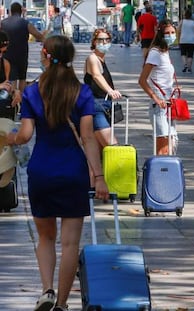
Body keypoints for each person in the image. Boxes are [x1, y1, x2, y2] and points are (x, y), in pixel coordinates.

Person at [6, 35, 109, 311]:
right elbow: (88, 138)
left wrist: (9, 139)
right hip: (73, 171)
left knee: (46, 238)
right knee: (71, 242)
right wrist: (98, 176)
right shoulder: (82, 92)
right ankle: (62, 304)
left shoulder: (31, 91)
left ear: (45, 54)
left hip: (41, 171)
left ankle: (47, 291)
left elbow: (26, 135)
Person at [139, 19, 178, 155]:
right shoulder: (155, 53)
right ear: (161, 34)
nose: (171, 35)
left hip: (169, 104)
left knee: (171, 144)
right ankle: (161, 174)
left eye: (173, 32)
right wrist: (155, 97)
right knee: (163, 147)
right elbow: (142, 80)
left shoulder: (165, 52)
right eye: (167, 33)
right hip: (159, 105)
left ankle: (167, 174)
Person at [84, 28, 122, 149]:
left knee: (100, 149)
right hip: (96, 106)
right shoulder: (92, 58)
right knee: (112, 146)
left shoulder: (101, 59)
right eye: (100, 40)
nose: (104, 43)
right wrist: (110, 91)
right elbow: (96, 75)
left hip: (104, 105)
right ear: (94, 42)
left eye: (107, 40)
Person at [0, 2, 44, 93]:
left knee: (11, 79)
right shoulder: (26, 23)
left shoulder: (2, 23)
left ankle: (11, 101)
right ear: (21, 12)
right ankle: (22, 100)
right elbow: (38, 36)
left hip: (7, 56)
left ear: (10, 12)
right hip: (22, 55)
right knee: (22, 78)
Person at [177, 8, 194, 73]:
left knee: (183, 54)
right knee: (190, 55)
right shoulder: (193, 22)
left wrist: (178, 39)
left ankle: (185, 65)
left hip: (183, 40)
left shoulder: (182, 21)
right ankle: (189, 68)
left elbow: (178, 30)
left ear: (184, 15)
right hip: (192, 40)